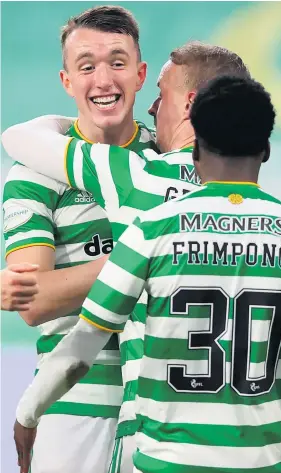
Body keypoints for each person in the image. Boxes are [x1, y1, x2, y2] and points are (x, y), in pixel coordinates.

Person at [13, 75, 281, 473]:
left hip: (167, 461)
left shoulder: (151, 230)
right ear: (267, 150)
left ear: (196, 149)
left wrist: (28, 414)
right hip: (269, 462)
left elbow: (80, 351)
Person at [2, 5, 157, 473]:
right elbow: (35, 302)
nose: (103, 79)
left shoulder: (166, 161)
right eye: (86, 66)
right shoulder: (32, 171)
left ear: (140, 73)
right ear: (68, 81)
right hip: (72, 403)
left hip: (159, 402)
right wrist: (146, 254)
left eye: (117, 62)